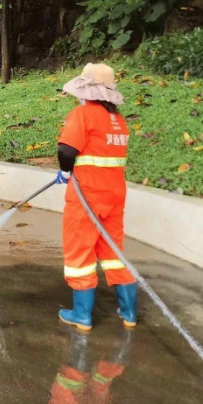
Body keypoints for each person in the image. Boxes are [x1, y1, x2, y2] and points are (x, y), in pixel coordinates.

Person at [53, 63, 137, 331]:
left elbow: (67, 150)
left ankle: (82, 315)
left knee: (80, 254)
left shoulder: (83, 114)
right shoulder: (119, 121)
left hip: (85, 198)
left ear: (87, 90)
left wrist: (66, 172)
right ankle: (129, 312)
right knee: (113, 252)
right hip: (114, 198)